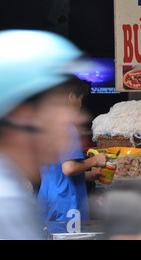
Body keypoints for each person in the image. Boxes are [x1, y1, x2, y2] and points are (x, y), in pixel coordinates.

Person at [0, 29, 96, 239]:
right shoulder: (7, 206)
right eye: (57, 104)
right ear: (21, 113)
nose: (80, 118)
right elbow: (69, 168)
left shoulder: (16, 197)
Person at [38, 75, 108, 223]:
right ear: (71, 97)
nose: (80, 104)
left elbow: (56, 172)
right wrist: (95, 160)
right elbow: (69, 168)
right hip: (67, 205)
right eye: (81, 98)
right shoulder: (68, 127)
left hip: (48, 200)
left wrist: (89, 176)